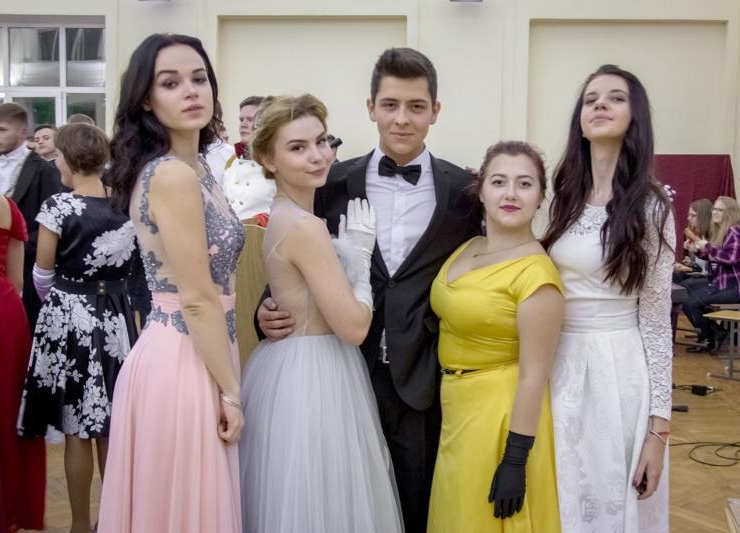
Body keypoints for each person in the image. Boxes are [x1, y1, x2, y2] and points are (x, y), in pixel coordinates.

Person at [258, 47, 482, 533]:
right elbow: (294, 254)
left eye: (416, 106)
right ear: (370, 108)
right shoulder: (329, 180)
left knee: (415, 504)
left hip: (421, 374)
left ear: (435, 111)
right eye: (390, 105)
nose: (402, 119)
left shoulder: (466, 194)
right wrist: (266, 308)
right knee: (335, 503)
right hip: (338, 370)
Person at [97, 33, 245, 531]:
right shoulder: (172, 176)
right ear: (145, 98)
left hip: (194, 349)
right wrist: (231, 392)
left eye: (199, 78)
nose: (191, 91)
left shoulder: (194, 168)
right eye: (171, 82)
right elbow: (198, 299)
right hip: (185, 357)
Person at [239, 93, 402, 533]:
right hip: (316, 373)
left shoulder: (281, 214)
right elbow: (354, 327)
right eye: (297, 147)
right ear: (268, 159)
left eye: (321, 141)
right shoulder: (307, 228)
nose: (317, 155)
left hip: (287, 366)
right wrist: (360, 260)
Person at [542, 64, 675, 532]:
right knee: (561, 498)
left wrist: (659, 432)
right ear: (580, 122)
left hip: (618, 371)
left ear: (635, 117)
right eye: (591, 98)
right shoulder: (562, 198)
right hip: (558, 364)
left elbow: (657, 322)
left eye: (616, 98)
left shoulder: (652, 207)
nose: (600, 104)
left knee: (607, 502)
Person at [427, 141, 563, 532]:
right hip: (457, 407)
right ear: (481, 190)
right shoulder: (469, 246)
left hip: (500, 414)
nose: (510, 193)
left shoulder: (537, 275)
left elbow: (534, 374)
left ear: (540, 197)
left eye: (525, 184)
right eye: (499, 181)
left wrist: (515, 459)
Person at [16, 123, 137, 533]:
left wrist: (60, 300)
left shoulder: (57, 206)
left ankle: (81, 524)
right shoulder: (125, 205)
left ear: (67, 159)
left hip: (70, 316)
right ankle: (115, 518)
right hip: (117, 317)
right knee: (111, 424)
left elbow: (42, 272)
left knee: (77, 427)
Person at [0, 129, 46, 533]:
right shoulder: (5, 205)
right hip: (4, 313)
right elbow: (17, 280)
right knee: (6, 411)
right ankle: (7, 510)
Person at [0, 102, 61, 333]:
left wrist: (17, 247)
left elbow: (52, 221)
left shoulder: (44, 170)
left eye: (2, 129)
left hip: (27, 267)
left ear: (21, 132)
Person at [682, 196, 740, 353]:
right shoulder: (724, 231)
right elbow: (717, 258)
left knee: (691, 302)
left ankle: (710, 337)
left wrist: (707, 246)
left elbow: (729, 259)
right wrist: (698, 252)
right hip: (725, 284)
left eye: (719, 210)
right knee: (689, 298)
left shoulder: (735, 231)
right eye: (714, 209)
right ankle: (715, 333)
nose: (714, 212)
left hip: (736, 289)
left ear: (730, 213)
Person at [222, 95, 276, 225]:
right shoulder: (231, 162)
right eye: (241, 119)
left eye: (250, 119)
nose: (243, 124)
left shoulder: (276, 164)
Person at [673, 198, 712, 291]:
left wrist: (699, 248)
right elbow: (700, 266)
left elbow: (712, 262)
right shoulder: (694, 233)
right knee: (673, 277)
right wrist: (691, 264)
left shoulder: (713, 236)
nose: (688, 218)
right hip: (699, 274)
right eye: (689, 215)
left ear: (704, 217)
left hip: (709, 278)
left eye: (693, 215)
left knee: (683, 287)